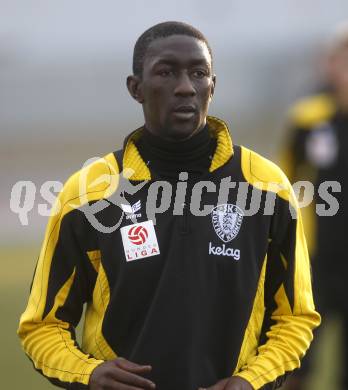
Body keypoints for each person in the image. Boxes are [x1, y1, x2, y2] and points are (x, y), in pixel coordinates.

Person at [18, 21, 320, 390]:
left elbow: (296, 318)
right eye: (166, 72)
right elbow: (43, 326)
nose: (185, 87)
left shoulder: (266, 187)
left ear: (213, 86)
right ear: (136, 88)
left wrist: (250, 381)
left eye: (198, 73)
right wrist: (89, 374)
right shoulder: (90, 193)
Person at [280, 21, 348, 390]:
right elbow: (285, 180)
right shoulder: (309, 118)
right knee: (300, 355)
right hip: (317, 257)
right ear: (330, 65)